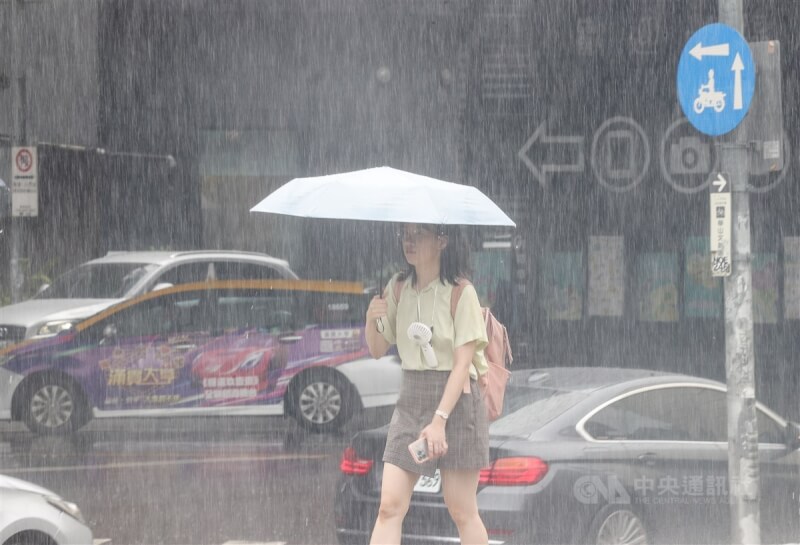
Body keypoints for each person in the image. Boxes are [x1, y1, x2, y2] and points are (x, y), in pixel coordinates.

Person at [365, 223, 489, 545]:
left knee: (461, 509)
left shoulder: (462, 292)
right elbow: (378, 349)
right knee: (389, 506)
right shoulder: (397, 287)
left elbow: (463, 364)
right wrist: (371, 319)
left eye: (418, 234)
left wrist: (439, 421)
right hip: (411, 399)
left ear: (442, 240)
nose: (409, 240)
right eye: (404, 234)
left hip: (458, 403)